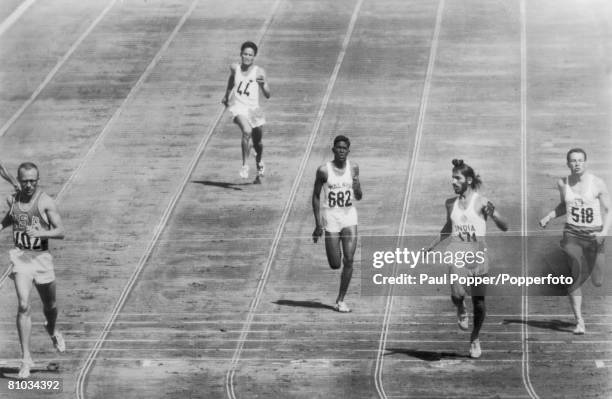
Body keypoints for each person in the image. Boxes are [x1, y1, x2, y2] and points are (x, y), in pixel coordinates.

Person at [428, 159, 508, 358]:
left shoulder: (481, 202)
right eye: (452, 177)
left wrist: (495, 216)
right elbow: (449, 227)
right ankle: (461, 307)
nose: (453, 181)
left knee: (479, 302)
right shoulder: (450, 203)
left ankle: (475, 337)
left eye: (457, 178)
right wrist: (432, 244)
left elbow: (505, 225)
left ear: (468, 180)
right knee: (457, 296)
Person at [0, 162, 65, 379]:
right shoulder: (14, 199)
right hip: (21, 259)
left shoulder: (45, 202)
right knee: (23, 304)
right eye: (25, 181)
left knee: (51, 306)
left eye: (32, 180)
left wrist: (41, 233)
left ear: (38, 180)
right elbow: (13, 217)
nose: (29, 185)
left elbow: (60, 231)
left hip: (42, 259)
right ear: (19, 180)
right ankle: (26, 359)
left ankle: (53, 329)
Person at [539, 148, 611, 335]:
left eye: (580, 160)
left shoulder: (597, 183)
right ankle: (580, 321)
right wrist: (549, 216)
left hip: (594, 236)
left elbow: (609, 210)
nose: (577, 163)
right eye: (573, 160)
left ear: (585, 162)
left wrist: (604, 231)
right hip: (572, 235)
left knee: (598, 280)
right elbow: (564, 205)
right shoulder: (563, 183)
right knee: (574, 279)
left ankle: (595, 271)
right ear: (568, 163)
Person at [312, 135, 362, 312]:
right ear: (333, 150)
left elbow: (359, 196)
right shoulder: (323, 171)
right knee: (335, 264)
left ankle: (340, 300)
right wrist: (318, 224)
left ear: (348, 151)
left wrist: (356, 185)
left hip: (349, 216)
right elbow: (316, 196)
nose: (341, 151)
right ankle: (335, 248)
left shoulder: (354, 168)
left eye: (344, 148)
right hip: (331, 217)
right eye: (338, 148)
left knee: (349, 259)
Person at [221, 41, 271, 180]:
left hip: (254, 110)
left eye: (250, 55)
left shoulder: (259, 72)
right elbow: (232, 80)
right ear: (241, 54)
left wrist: (262, 85)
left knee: (258, 142)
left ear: (254, 57)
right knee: (247, 131)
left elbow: (267, 94)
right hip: (238, 107)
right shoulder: (234, 67)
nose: (247, 57)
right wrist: (226, 96)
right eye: (245, 54)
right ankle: (244, 165)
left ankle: (259, 161)